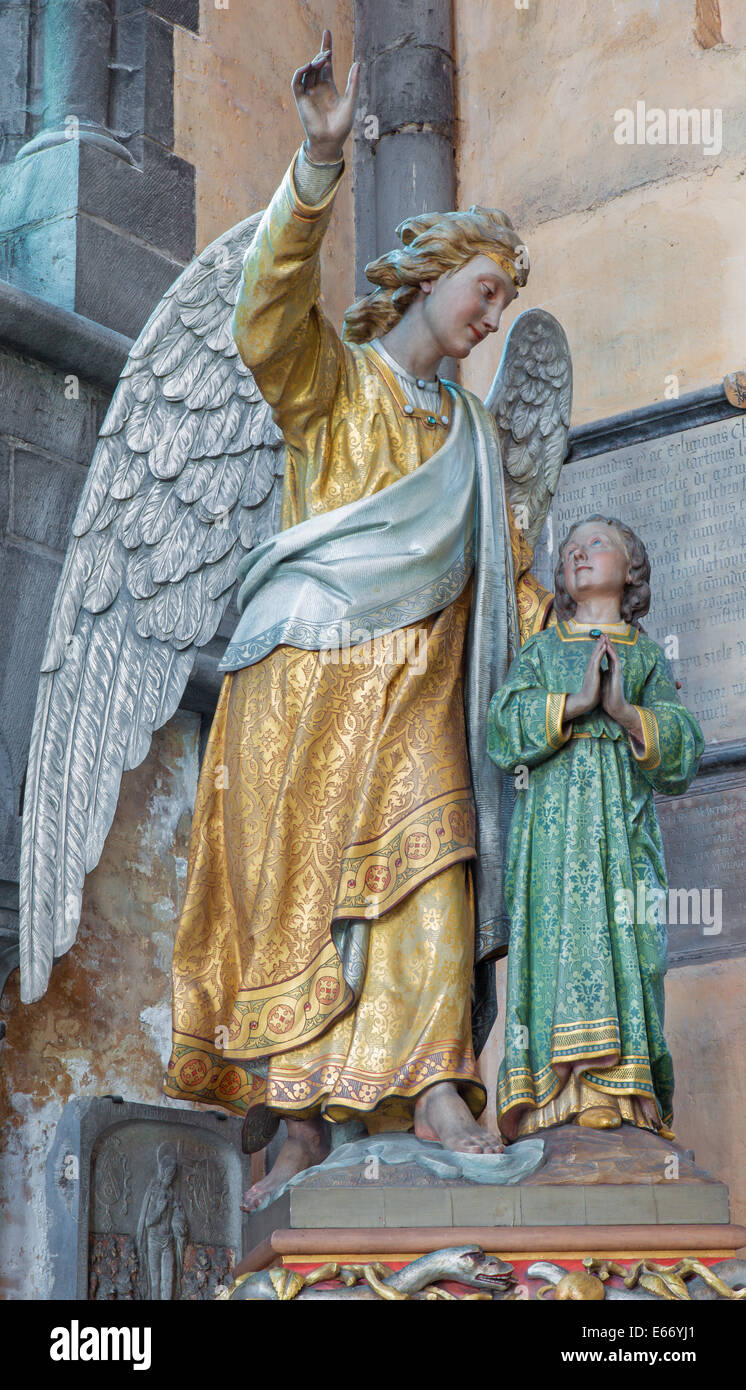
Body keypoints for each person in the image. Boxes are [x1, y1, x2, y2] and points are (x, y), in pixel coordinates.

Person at [164, 30, 552, 1209]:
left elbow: (514, 587)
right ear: (434, 273)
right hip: (307, 671)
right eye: (486, 293)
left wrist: (579, 658)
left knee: (434, 854)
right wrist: (319, 165)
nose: (490, 319)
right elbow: (263, 319)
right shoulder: (336, 385)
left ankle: (432, 1080)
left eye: (500, 306)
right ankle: (294, 1114)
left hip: (421, 687)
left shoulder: (478, 441)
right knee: (298, 885)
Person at [486, 516, 704, 1142]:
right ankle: (551, 1099)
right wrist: (573, 706)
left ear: (631, 569)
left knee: (631, 946)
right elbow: (503, 731)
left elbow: (684, 752)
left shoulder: (646, 657)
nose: (580, 552)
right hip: (550, 847)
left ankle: (622, 1089)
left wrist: (626, 713)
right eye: (571, 547)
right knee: (553, 948)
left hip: (623, 842)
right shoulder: (542, 651)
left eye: (597, 543)